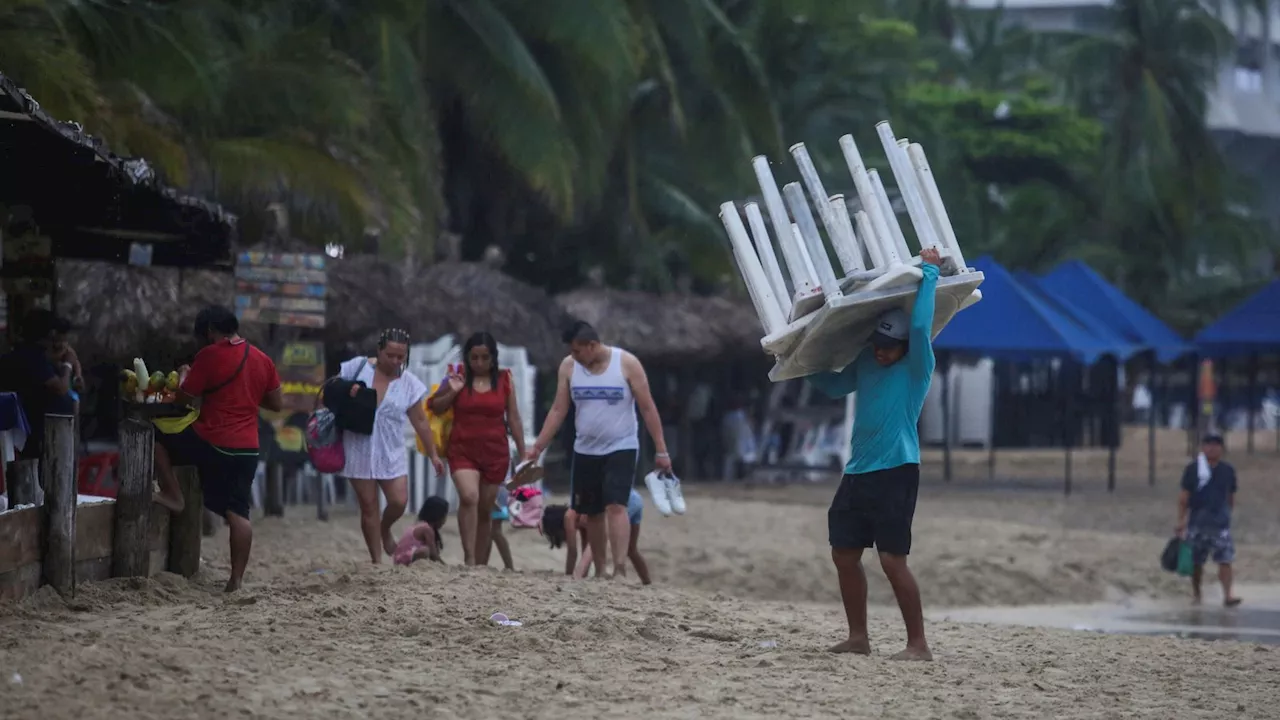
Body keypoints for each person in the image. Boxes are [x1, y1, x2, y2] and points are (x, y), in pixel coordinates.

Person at [805, 246, 943, 662]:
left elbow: (919, 328)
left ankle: (918, 645)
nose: (882, 352)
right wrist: (797, 357)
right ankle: (858, 637)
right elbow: (832, 386)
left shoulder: (916, 365)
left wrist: (931, 273)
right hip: (859, 469)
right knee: (843, 553)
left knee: (891, 559)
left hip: (897, 469)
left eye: (889, 346)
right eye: (878, 344)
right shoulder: (868, 362)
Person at [526, 321, 670, 579]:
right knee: (591, 511)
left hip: (621, 445)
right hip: (585, 449)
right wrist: (538, 446)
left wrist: (661, 449)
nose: (575, 357)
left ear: (592, 345)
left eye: (578, 352)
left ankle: (620, 569)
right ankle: (601, 569)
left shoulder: (627, 364)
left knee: (616, 505)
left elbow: (648, 408)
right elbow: (559, 409)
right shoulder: (569, 367)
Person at [161, 305, 283, 592]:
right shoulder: (262, 359)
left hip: (214, 441)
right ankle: (236, 580)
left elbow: (185, 399)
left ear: (210, 332)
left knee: (157, 438)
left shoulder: (209, 355)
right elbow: (277, 404)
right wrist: (249, 396)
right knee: (238, 512)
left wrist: (183, 374)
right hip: (248, 448)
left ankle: (173, 494)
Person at [340, 328, 445, 564]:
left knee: (398, 501)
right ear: (379, 350)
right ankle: (376, 559)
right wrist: (349, 393)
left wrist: (433, 455)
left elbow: (420, 421)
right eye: (391, 355)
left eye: (401, 357)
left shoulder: (409, 383)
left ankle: (384, 528)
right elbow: (331, 393)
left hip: (391, 450)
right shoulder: (355, 368)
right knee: (368, 506)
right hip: (358, 446)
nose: (396, 361)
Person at [428, 331, 525, 565]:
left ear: (493, 358)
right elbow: (435, 406)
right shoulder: (456, 376)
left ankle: (480, 564)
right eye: (474, 358)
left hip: (495, 453)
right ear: (467, 358)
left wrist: (523, 454)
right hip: (462, 450)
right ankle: (469, 558)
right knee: (469, 497)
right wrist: (453, 390)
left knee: (485, 509)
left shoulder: (505, 380)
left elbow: (514, 418)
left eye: (484, 357)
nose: (479, 363)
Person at [0, 310, 79, 461]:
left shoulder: (26, 355)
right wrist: (68, 364)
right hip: (37, 435)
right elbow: (60, 388)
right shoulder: (32, 358)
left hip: (43, 432)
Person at [1175, 434, 1241, 607]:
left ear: (1222, 449)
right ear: (1202, 448)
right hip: (1197, 522)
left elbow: (1230, 495)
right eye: (1208, 445)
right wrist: (1181, 520)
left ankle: (1228, 595)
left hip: (1220, 523)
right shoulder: (1193, 469)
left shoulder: (1228, 470)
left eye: (1216, 445)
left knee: (1225, 560)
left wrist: (1228, 515)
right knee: (1197, 562)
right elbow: (1184, 497)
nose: (1212, 448)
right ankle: (1197, 594)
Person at [393, 496, 449, 566]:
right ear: (438, 516)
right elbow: (433, 555)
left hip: (399, 558)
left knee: (430, 549)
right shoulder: (426, 529)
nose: (445, 521)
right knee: (425, 551)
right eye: (444, 516)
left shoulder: (420, 524)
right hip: (403, 559)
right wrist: (445, 565)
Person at [476, 484, 515, 571]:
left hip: (493, 489)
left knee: (494, 531)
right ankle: (482, 564)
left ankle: (509, 566)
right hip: (496, 490)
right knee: (490, 532)